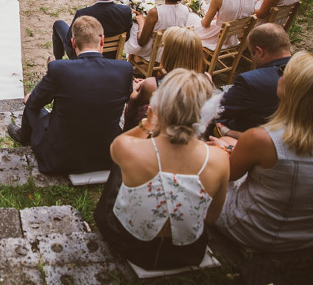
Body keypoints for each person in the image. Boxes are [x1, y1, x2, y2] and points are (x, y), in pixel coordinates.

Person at [94, 69, 229, 271]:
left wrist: (148, 123)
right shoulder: (220, 158)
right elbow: (210, 217)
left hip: (131, 244)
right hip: (187, 251)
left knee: (120, 169)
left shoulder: (130, 149)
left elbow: (117, 146)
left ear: (159, 105)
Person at [212, 51, 313, 251]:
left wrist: (219, 152)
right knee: (228, 141)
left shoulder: (261, 138)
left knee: (209, 158)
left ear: (291, 88)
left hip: (254, 229)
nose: (279, 74)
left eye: (284, 72)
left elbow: (227, 175)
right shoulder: (264, 140)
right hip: (303, 233)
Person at [7, 16, 134, 174]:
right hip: (107, 156)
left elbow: (34, 103)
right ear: (102, 40)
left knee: (31, 106)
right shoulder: (124, 69)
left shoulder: (58, 69)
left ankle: (22, 136)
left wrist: (30, 97)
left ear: (73, 43)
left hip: (61, 159)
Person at [213, 23, 292, 138]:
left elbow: (218, 110)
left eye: (251, 53)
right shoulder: (303, 71)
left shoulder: (251, 81)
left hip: (245, 135)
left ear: (260, 52)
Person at [124, 26, 207, 131]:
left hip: (158, 129)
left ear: (170, 55)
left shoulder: (153, 85)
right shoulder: (206, 79)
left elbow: (135, 101)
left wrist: (133, 88)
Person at [52, 0, 132, 60]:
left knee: (58, 24)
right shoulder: (126, 11)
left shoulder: (83, 13)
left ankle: (58, 61)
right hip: (111, 56)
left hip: (83, 57)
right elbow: (127, 36)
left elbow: (69, 42)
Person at [124, 0, 200, 61]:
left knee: (133, 26)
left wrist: (141, 22)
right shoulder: (186, 9)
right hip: (175, 49)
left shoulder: (155, 12)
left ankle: (133, 60)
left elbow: (141, 42)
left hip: (157, 53)